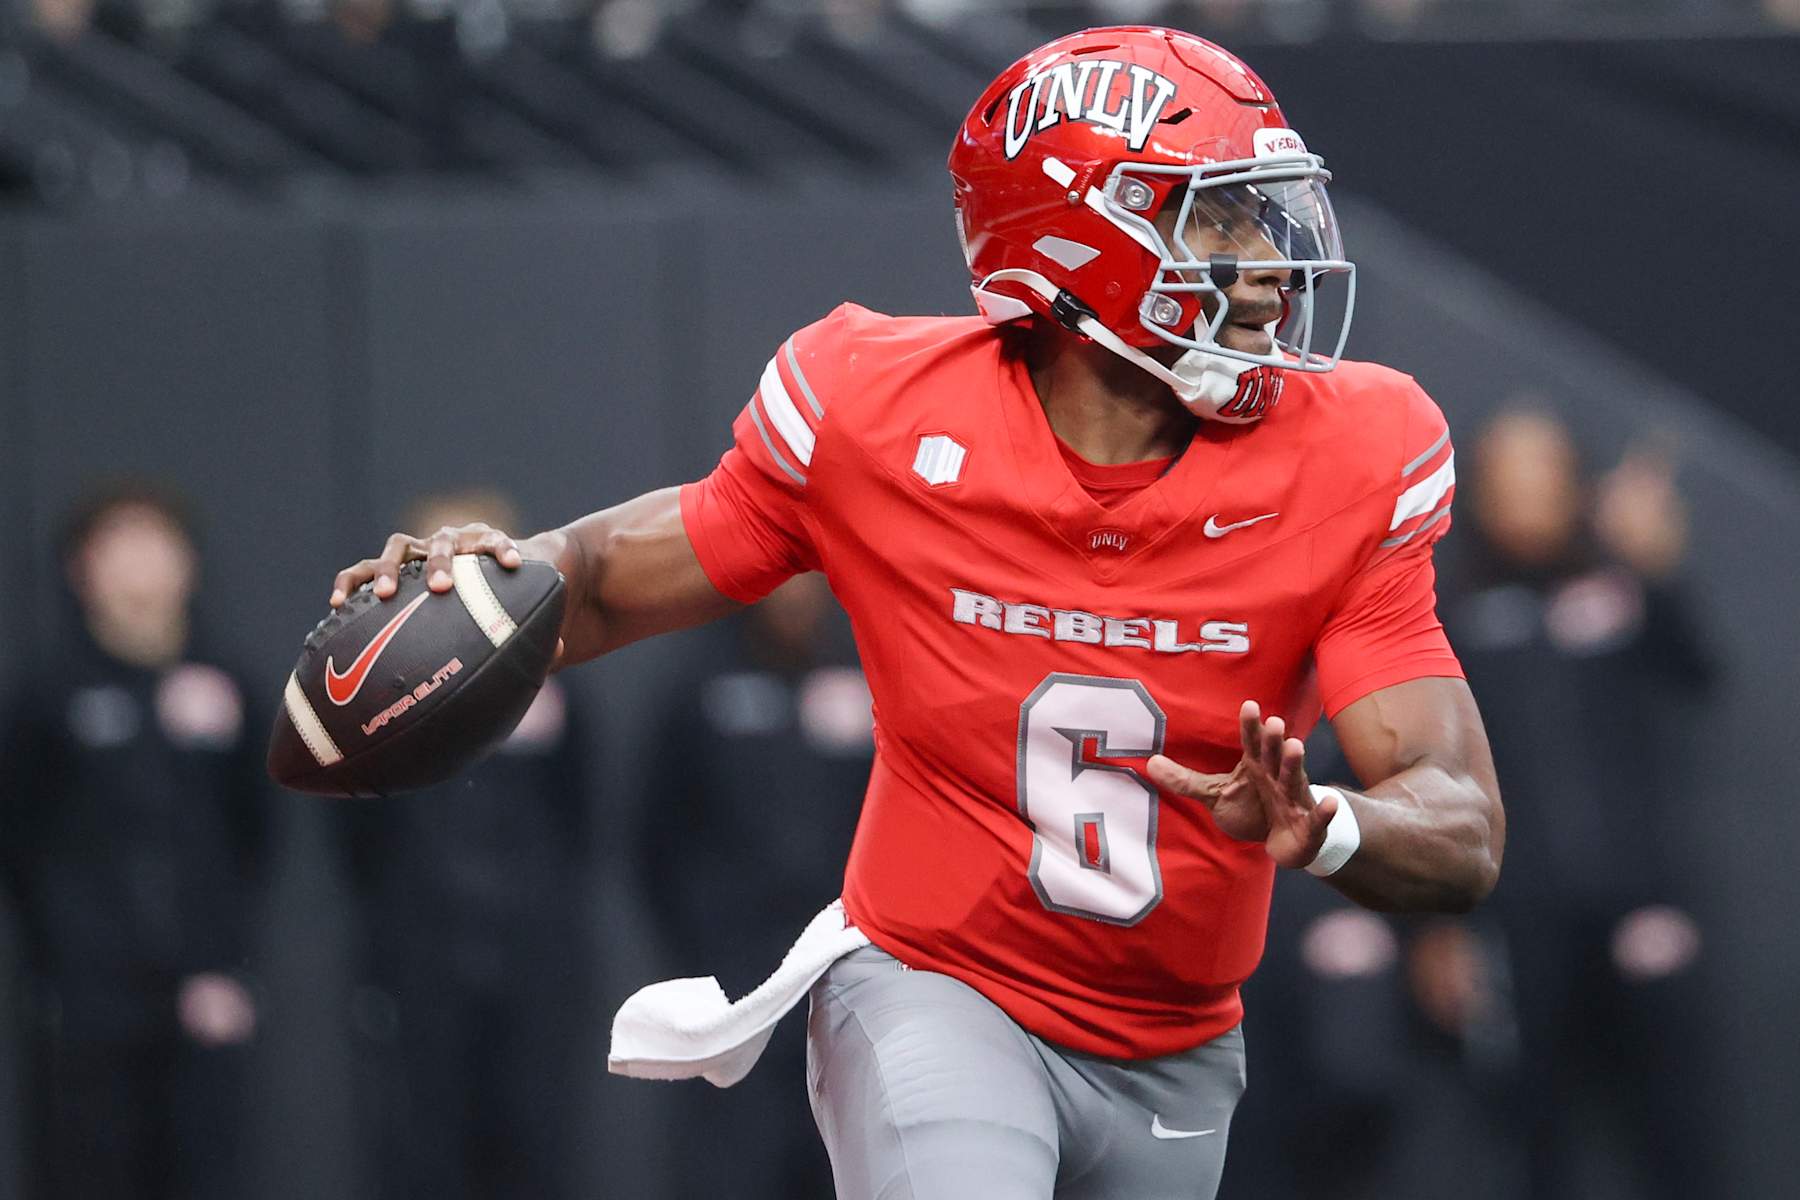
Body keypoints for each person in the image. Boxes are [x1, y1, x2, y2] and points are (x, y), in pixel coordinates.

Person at [326, 27, 1504, 1199]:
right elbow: (601, 580)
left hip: (1177, 1051)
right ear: (1078, 239)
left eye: (1264, 220)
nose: (1267, 268)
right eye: (1217, 222)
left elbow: (1460, 819)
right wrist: (484, 580)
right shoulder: (880, 409)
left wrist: (1330, 826)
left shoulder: (1354, 452)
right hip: (940, 987)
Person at [1444, 409, 1715, 1199]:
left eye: (1545, 476)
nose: (1529, 498)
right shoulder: (1449, 609)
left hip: (1641, 904)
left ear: (1577, 487)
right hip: (1514, 917)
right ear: (1482, 494)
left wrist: (1658, 571)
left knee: (1678, 1126)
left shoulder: (1621, 588)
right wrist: (1435, 930)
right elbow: (1419, 769)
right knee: (1527, 1132)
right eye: (1509, 480)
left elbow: (1698, 673)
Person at [1, 482, 267, 1200]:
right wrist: (65, 958)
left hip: (203, 991)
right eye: (118, 548)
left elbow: (253, 833)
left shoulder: (229, 686)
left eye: (156, 547)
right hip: (89, 1000)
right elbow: (23, 839)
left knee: (208, 1167)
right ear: (82, 568)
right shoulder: (49, 692)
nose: (139, 567)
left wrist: (224, 963)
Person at [333, 488, 594, 1200]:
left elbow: (580, 817)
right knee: (422, 1153)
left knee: (538, 1147)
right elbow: (353, 832)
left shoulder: (553, 677)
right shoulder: (376, 685)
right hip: (419, 961)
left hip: (532, 960)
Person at [643, 572, 873, 1200]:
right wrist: (702, 938)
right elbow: (656, 835)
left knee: (841, 1149)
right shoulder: (701, 685)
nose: (795, 599)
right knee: (735, 1154)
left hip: (843, 965)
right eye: (784, 583)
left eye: (810, 582)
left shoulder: (864, 674)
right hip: (736, 973)